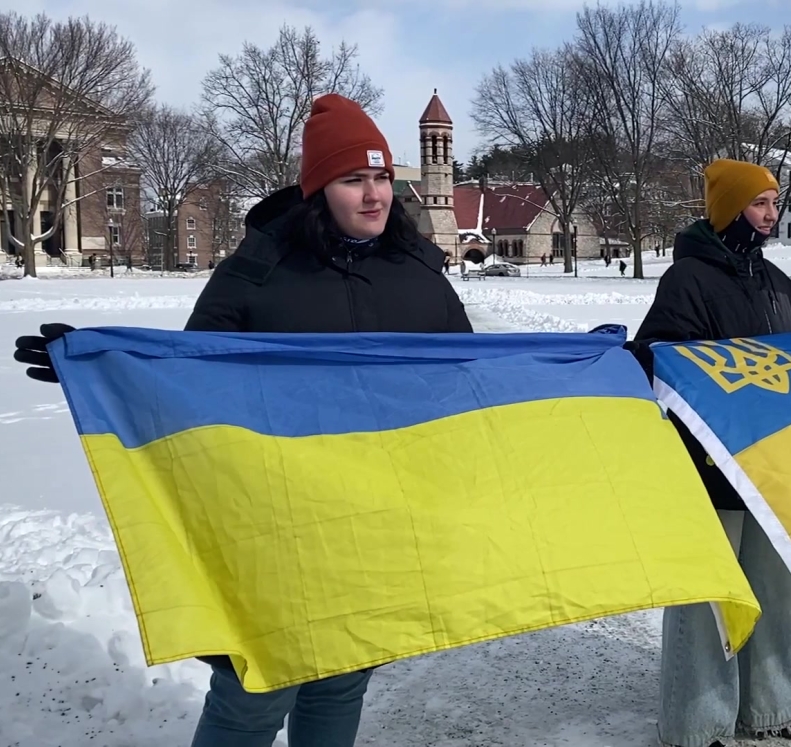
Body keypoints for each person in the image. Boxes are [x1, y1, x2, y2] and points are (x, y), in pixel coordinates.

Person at [13, 92, 472, 747]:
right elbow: (189, 374)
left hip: (377, 518)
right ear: (317, 188)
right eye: (352, 179)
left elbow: (474, 373)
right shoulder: (259, 269)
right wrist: (97, 365)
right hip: (277, 519)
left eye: (379, 177)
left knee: (342, 677)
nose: (373, 196)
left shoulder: (419, 270)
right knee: (256, 690)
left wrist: (601, 367)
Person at [630, 159, 791, 747]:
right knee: (711, 602)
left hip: (770, 462)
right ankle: (698, 723)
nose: (772, 214)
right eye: (760, 203)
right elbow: (656, 355)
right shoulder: (687, 279)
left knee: (774, 590)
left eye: (775, 202)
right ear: (731, 209)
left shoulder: (776, 282)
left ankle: (771, 707)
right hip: (711, 463)